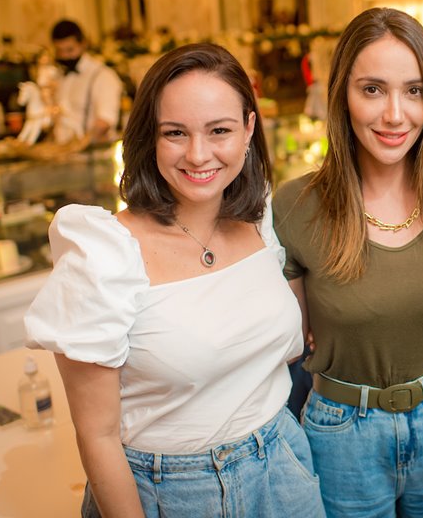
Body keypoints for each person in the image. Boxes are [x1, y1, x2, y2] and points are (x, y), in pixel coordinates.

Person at [24, 43, 325, 518]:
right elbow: (97, 436)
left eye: (219, 130)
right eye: (175, 133)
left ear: (249, 128)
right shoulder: (104, 253)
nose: (198, 154)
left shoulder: (261, 220)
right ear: (150, 137)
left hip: (282, 467)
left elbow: (287, 349)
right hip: (170, 490)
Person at [272, 7, 423, 517]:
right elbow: (283, 342)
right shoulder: (296, 206)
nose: (395, 114)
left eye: (413, 91)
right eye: (372, 89)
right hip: (340, 432)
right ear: (342, 96)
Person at [50, 19, 123, 143]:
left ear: (83, 44)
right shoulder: (58, 76)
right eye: (59, 51)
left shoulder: (103, 76)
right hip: (62, 153)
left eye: (70, 50)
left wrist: (81, 145)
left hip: (91, 152)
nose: (64, 56)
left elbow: (105, 122)